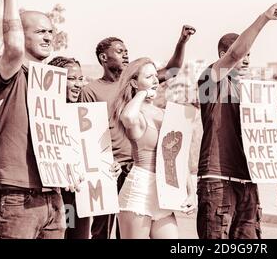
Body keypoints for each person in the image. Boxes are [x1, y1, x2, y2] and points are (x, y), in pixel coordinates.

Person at [80, 25, 195, 239]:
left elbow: (173, 70)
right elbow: (87, 133)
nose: (125, 53)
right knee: (102, 231)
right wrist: (100, 165)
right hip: (113, 170)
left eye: (126, 50)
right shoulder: (92, 90)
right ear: (103, 57)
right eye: (119, 51)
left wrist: (181, 42)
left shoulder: (152, 97)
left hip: (153, 179)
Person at [0, 0, 81, 239]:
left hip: (52, 197)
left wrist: (73, 166)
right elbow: (14, 46)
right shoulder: (10, 71)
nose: (48, 37)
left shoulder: (52, 81)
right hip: (15, 196)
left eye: (51, 32)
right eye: (40, 31)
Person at [196, 3, 277, 239]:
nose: (246, 60)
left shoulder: (252, 93)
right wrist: (264, 18)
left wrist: (271, 150)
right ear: (222, 56)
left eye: (250, 56)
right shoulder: (211, 81)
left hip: (249, 181)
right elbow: (235, 53)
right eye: (243, 55)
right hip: (219, 180)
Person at [110, 57, 196, 239]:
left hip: (165, 193)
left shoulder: (166, 113)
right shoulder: (134, 113)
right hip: (140, 191)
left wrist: (190, 192)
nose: (156, 81)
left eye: (156, 76)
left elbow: (180, 158)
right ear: (134, 82)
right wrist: (141, 93)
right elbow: (128, 118)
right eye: (149, 77)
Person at [48, 56, 122, 239]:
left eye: (80, 79)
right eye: (71, 78)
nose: (78, 84)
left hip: (77, 198)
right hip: (47, 198)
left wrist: (110, 167)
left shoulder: (86, 115)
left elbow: (95, 154)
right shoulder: (42, 113)